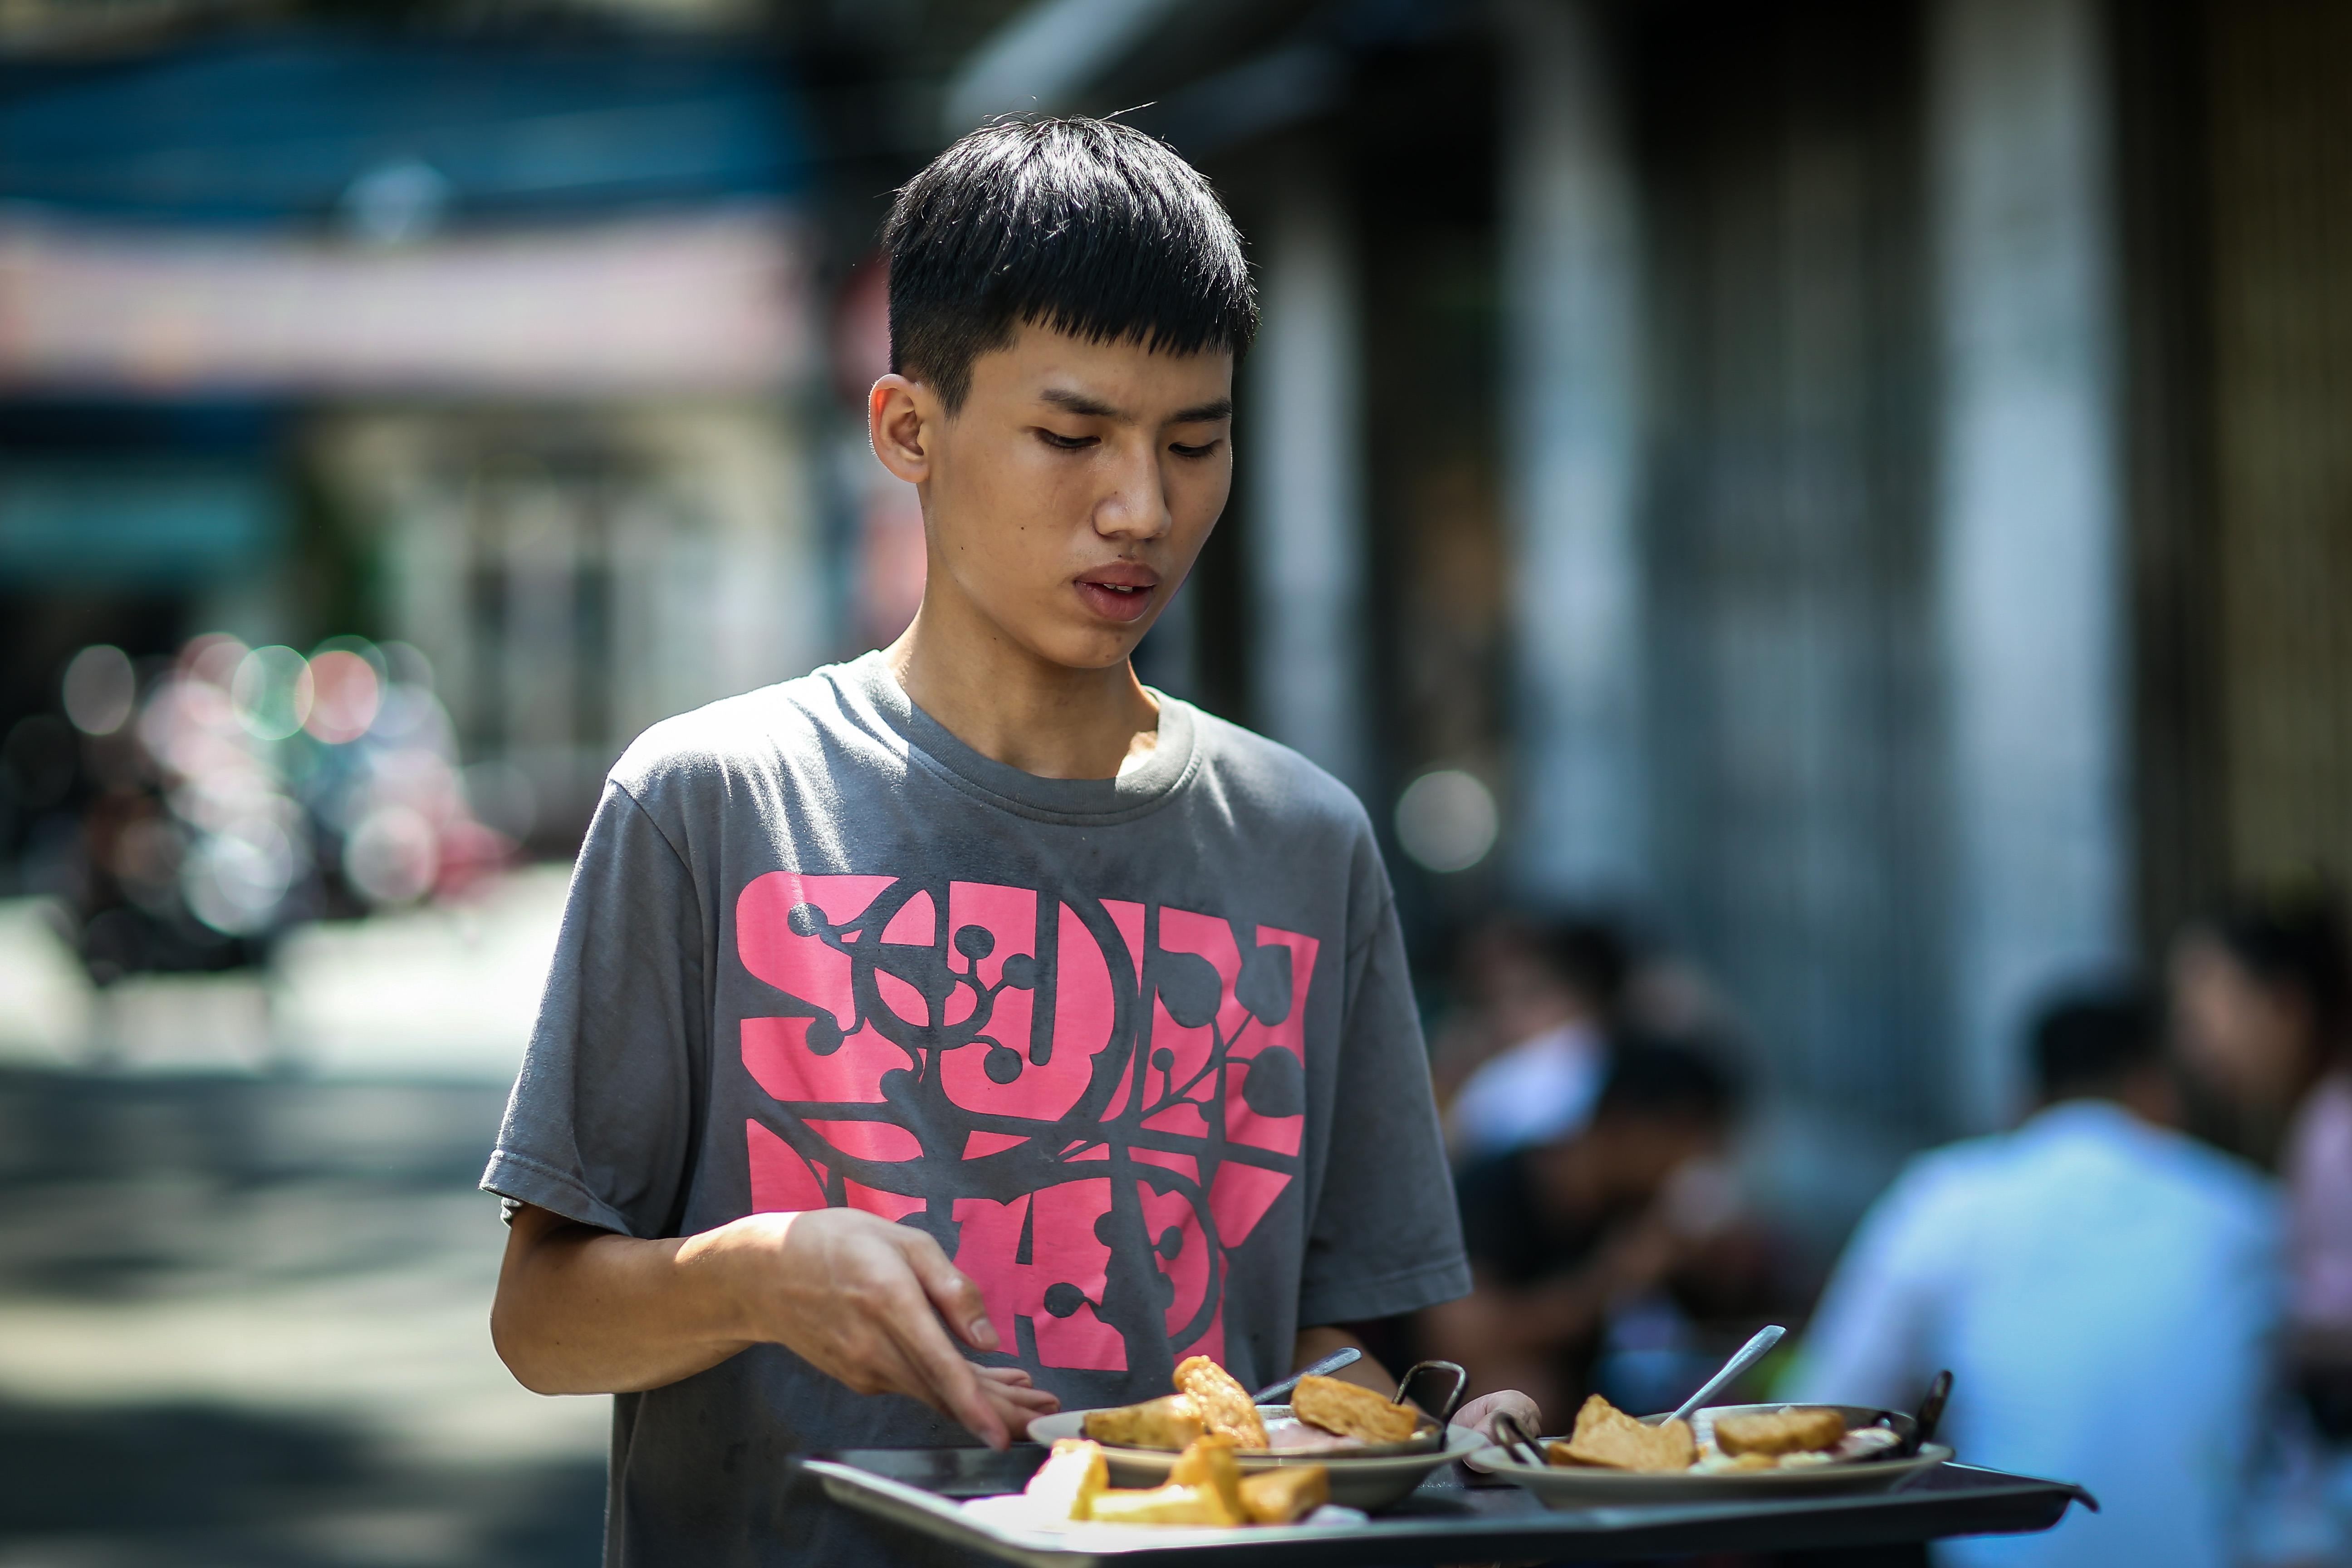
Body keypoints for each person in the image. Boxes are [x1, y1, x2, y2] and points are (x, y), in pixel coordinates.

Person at [479, 118, 1532, 1567]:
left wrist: (1422, 1446)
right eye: (1072, 436)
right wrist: (763, 1274)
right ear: (910, 430)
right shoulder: (716, 800)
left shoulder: (1304, 841)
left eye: (1196, 443)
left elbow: (1322, 1346)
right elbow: (539, 1323)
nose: (1141, 509)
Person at [1787, 987, 2280, 1568]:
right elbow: (2277, 1446)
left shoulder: (1948, 1198)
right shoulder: (2246, 1212)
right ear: (2155, 1089)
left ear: (2024, 1100)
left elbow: (1819, 1416)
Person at [1422, 1039, 1749, 1423]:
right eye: (1685, 1142)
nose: (1686, 1164)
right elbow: (1465, 1337)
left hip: (1585, 1403)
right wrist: (1612, 1280)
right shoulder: (1496, 1191)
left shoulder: (1637, 1206)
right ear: (1629, 1124)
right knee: (1524, 1384)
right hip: (1469, 1413)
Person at [1438, 915, 1631, 1162]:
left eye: (1526, 996)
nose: (1505, 1016)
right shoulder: (1490, 1080)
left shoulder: (1510, 1085)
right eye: (1493, 1001)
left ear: (1578, 995)